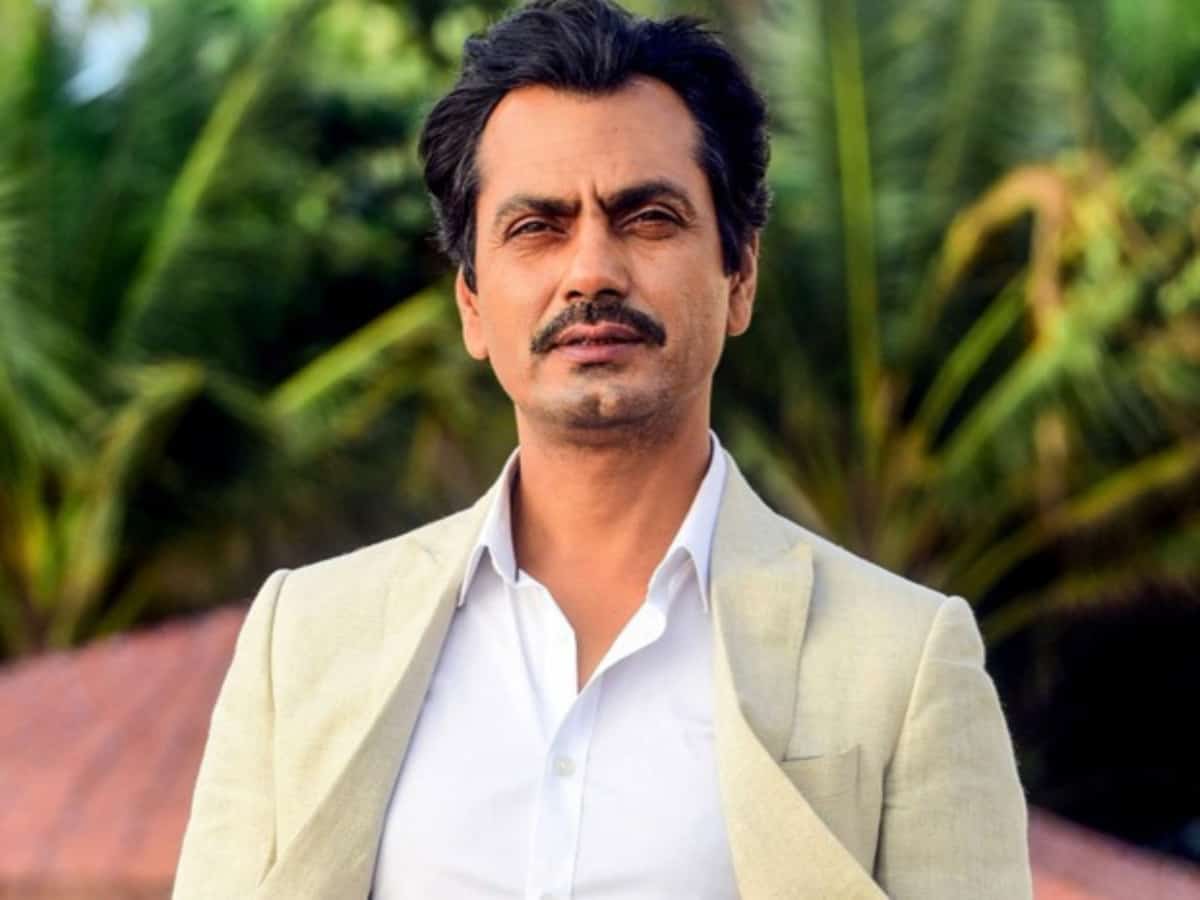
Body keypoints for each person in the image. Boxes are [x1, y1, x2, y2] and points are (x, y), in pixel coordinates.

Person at [173, 0, 1033, 897]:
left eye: (648, 217)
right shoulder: (304, 640)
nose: (590, 270)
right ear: (472, 304)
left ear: (740, 276)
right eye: (536, 227)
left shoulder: (903, 660)